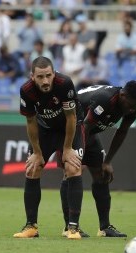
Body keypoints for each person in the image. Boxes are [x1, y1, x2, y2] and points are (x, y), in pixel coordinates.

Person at [60, 81, 136, 238]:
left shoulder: (133, 106)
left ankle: (105, 227)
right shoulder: (105, 99)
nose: (132, 109)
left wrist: (107, 161)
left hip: (88, 130)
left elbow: (122, 132)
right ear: (123, 95)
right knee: (72, 171)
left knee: (101, 175)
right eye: (131, 105)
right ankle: (69, 226)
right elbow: (84, 127)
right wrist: (78, 155)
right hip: (69, 127)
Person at [13, 56, 85, 240]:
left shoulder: (64, 83)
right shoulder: (26, 91)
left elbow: (71, 118)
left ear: (54, 73)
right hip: (45, 128)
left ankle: (73, 228)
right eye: (40, 77)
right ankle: (31, 226)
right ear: (32, 77)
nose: (45, 81)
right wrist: (37, 153)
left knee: (72, 167)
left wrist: (67, 148)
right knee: (32, 168)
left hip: (70, 127)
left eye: (48, 75)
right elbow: (30, 121)